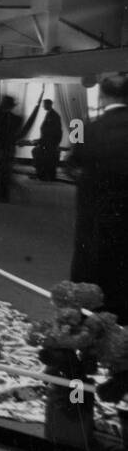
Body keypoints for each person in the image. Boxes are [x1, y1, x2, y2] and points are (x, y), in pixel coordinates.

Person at [69, 73, 128, 324]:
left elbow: (71, 165)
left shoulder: (80, 125)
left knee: (90, 268)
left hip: (93, 216)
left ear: (102, 96)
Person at [0, 95, 22, 202]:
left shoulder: (4, 117)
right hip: (7, 148)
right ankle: (4, 196)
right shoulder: (12, 118)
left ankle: (3, 196)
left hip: (5, 148)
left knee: (4, 173)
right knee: (5, 173)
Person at [31, 99, 63, 181]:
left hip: (50, 142)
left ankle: (43, 175)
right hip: (47, 141)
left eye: (44, 104)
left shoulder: (54, 115)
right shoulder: (50, 114)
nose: (43, 106)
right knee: (38, 153)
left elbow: (53, 131)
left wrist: (41, 141)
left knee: (38, 153)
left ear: (49, 105)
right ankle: (42, 174)